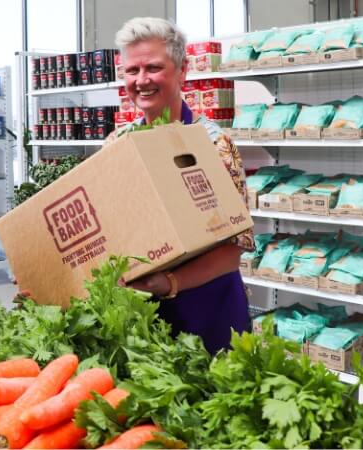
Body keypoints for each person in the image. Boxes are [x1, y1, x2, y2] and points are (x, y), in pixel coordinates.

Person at [110, 17, 255, 354]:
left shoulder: (213, 146)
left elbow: (233, 251)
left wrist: (169, 282)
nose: (141, 80)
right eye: (132, 71)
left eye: (153, 68)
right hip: (142, 317)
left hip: (208, 312)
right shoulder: (118, 145)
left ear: (182, 71)